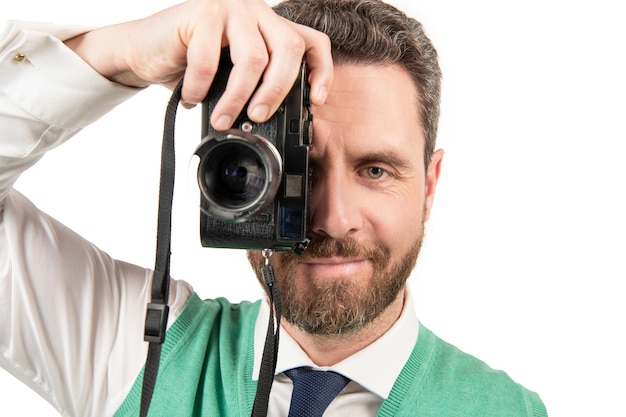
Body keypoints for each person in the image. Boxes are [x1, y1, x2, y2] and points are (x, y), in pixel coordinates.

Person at [0, 0, 547, 415]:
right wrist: (120, 54)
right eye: (297, 170)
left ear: (429, 186)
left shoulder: (507, 409)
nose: (333, 218)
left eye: (376, 170)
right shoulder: (134, 350)